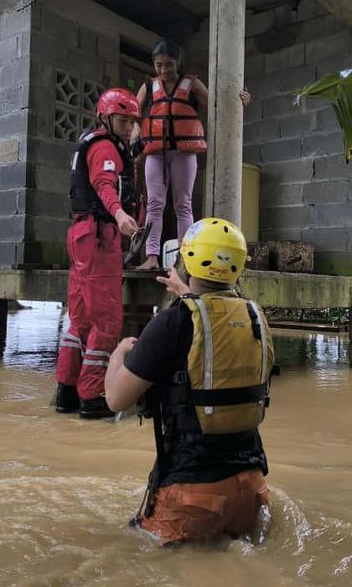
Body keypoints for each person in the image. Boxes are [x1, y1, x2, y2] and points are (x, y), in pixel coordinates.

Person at [104, 217, 275, 543]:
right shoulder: (255, 317)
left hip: (193, 495)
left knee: (132, 547)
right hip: (252, 491)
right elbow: (212, 322)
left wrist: (117, 355)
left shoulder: (172, 323)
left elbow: (115, 399)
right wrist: (185, 292)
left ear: (189, 259)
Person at [54, 88, 141, 419]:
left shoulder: (95, 142)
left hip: (81, 235)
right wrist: (120, 215)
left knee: (79, 319)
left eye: (131, 122)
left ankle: (66, 392)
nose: (128, 127)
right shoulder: (105, 147)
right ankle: (92, 396)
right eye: (122, 121)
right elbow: (104, 184)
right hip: (99, 237)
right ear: (105, 118)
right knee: (106, 320)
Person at [131, 39, 250, 270]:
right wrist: (135, 136)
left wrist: (239, 102)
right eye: (158, 65)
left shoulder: (192, 84)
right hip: (155, 153)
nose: (163, 70)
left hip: (183, 153)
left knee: (183, 205)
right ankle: (151, 257)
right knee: (154, 204)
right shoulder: (148, 86)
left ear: (178, 62)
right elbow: (133, 115)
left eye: (168, 65)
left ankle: (185, 259)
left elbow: (218, 106)